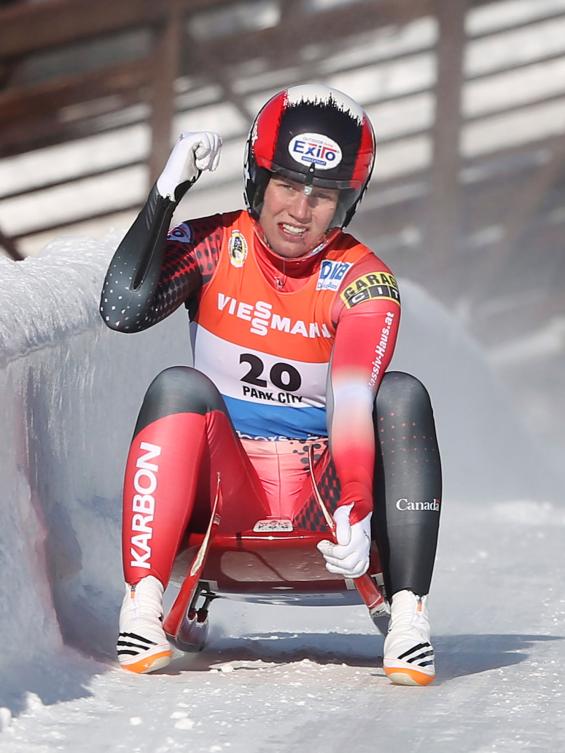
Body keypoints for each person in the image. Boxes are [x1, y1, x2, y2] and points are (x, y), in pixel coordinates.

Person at [100, 84, 442, 686]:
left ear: (347, 205)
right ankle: (142, 602)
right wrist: (163, 196)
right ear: (256, 183)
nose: (299, 211)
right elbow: (122, 310)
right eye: (286, 185)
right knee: (176, 386)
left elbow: (359, 395)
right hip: (225, 489)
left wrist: (357, 499)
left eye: (323, 195)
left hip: (327, 489)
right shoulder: (212, 243)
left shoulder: (364, 280)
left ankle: (411, 613)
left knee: (403, 393)